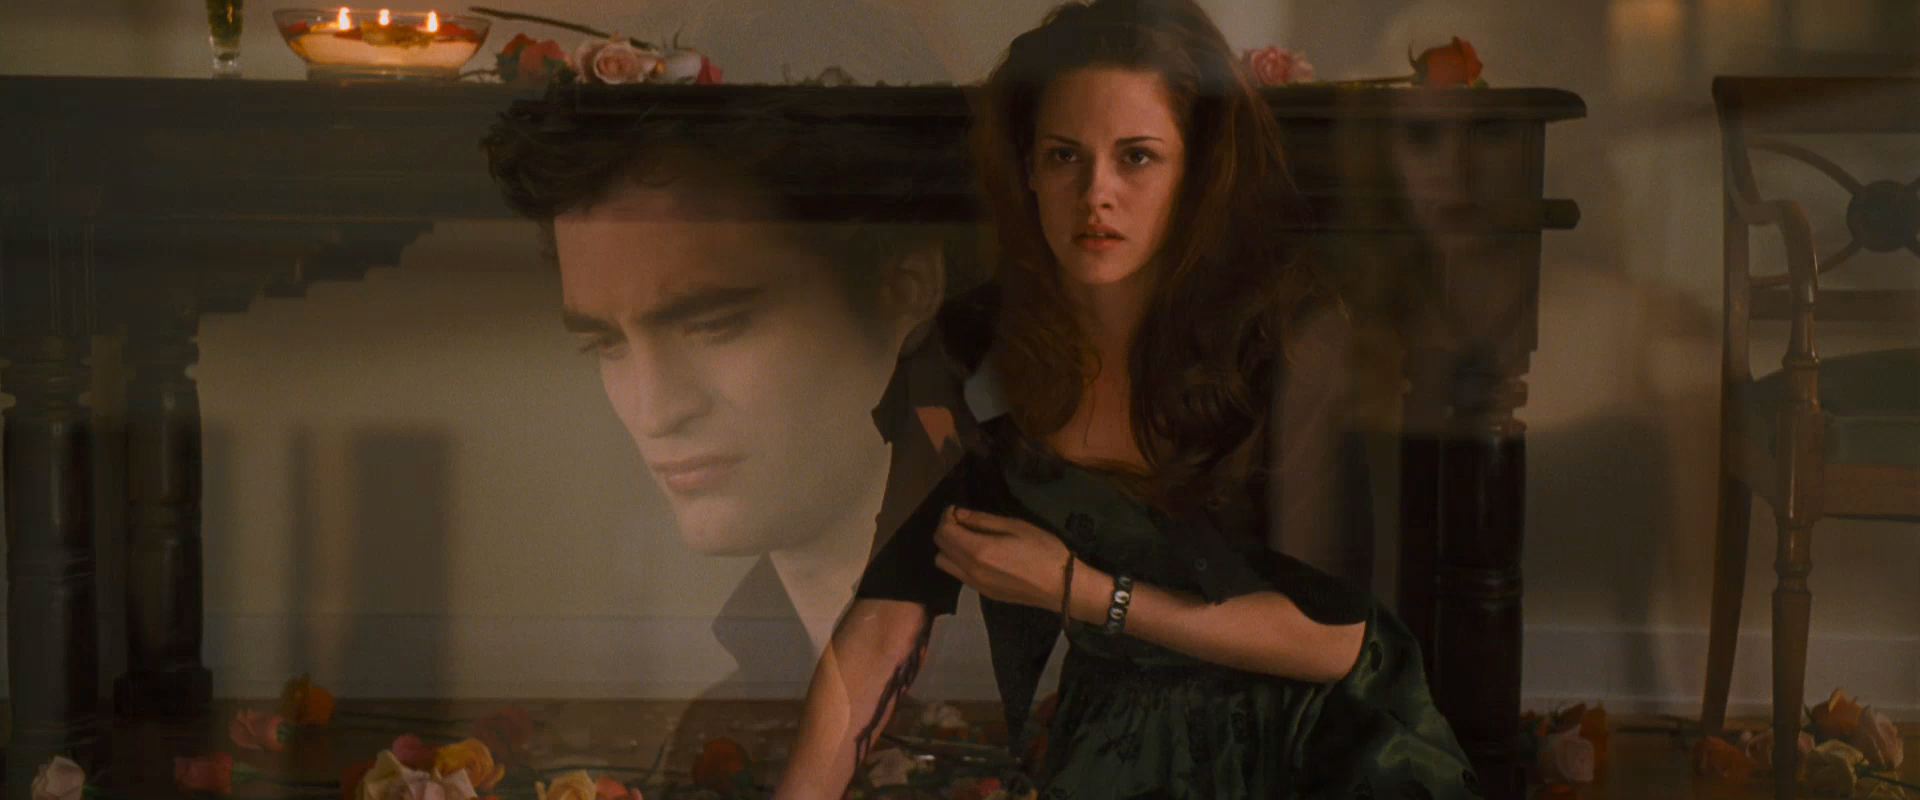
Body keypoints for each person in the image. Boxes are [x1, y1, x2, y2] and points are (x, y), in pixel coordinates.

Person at [777, 1, 1480, 797]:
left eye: (1137, 156)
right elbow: (885, 619)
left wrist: (1080, 591)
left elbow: (1336, 641)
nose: (1096, 194)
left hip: (1321, 742)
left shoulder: (1286, 335)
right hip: (1119, 740)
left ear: (1194, 173)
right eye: (1064, 156)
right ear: (1028, 169)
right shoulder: (965, 352)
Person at [482, 91, 977, 660]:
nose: (656, 412)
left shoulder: (1038, 642)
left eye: (716, 325)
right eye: (607, 342)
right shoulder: (749, 687)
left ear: (905, 290)